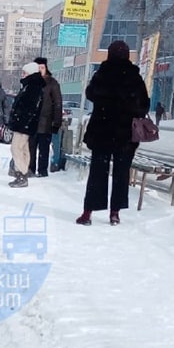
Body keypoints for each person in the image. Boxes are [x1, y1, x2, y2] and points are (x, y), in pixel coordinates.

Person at [77, 40, 150, 226]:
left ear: (109, 54)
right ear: (127, 55)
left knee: (97, 172)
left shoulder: (102, 73)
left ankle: (88, 213)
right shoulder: (134, 77)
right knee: (121, 173)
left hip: (102, 130)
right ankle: (115, 214)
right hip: (125, 134)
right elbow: (144, 105)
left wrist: (107, 102)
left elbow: (91, 94)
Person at [6, 61, 46, 188]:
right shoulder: (31, 85)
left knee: (16, 148)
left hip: (24, 124)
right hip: (24, 124)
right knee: (23, 149)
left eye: (24, 72)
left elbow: (30, 108)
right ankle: (22, 174)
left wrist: (22, 120)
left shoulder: (33, 87)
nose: (22, 75)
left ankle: (22, 173)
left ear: (30, 73)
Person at [28, 57, 63, 178]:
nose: (40, 70)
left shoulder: (52, 83)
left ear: (46, 68)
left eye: (42, 67)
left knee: (44, 149)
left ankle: (42, 171)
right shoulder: (31, 81)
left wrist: (56, 122)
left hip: (46, 122)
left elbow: (58, 103)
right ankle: (30, 169)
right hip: (32, 121)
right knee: (31, 147)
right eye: (37, 68)